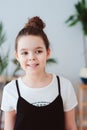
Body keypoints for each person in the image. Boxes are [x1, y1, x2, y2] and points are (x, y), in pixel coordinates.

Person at [1, 16, 78, 130]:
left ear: (47, 52)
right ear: (17, 56)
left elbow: (71, 127)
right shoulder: (10, 90)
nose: (32, 57)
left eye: (38, 51)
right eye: (25, 53)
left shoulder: (64, 86)